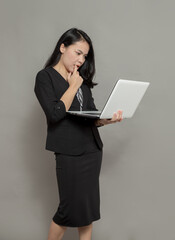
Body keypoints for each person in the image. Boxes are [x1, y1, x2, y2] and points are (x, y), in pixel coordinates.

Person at [34, 28, 123, 240]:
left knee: (87, 212)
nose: (81, 60)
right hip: (69, 153)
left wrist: (107, 120)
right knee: (67, 212)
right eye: (78, 52)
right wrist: (73, 86)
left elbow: (89, 118)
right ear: (62, 47)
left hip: (92, 151)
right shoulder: (45, 77)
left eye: (85, 55)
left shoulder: (81, 80)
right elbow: (55, 114)